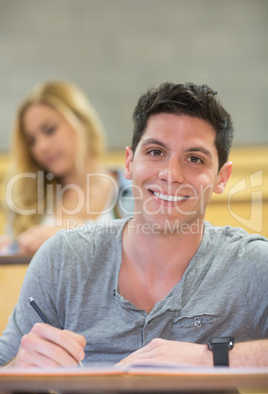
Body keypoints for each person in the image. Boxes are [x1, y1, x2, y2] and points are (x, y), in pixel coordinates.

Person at [0, 82, 267, 368]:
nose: (170, 174)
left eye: (194, 159)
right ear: (129, 162)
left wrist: (209, 357)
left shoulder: (249, 265)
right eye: (155, 152)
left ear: (221, 178)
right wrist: (17, 370)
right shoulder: (60, 259)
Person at [0, 81, 133, 255]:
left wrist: (80, 235)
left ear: (82, 122)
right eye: (32, 141)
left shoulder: (134, 189)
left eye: (49, 130)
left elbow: (152, 253)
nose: (41, 147)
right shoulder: (28, 204)